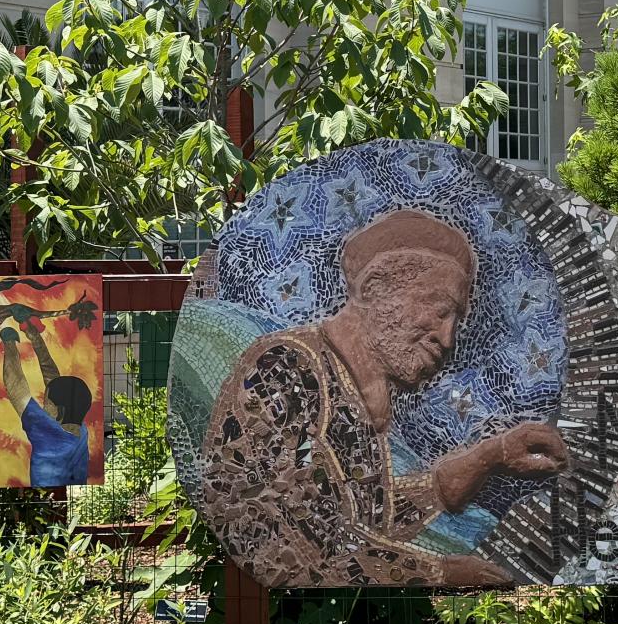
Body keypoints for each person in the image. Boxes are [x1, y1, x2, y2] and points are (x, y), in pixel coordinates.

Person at [199, 208, 566, 586]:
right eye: (439, 311)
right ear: (375, 289)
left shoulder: (346, 387)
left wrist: (490, 456)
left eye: (455, 320)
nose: (448, 338)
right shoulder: (287, 367)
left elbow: (363, 517)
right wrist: (439, 572)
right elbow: (305, 542)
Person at [0, 325, 93, 489]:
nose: (43, 404)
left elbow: (15, 387)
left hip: (44, 496)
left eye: (47, 402)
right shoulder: (80, 429)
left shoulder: (50, 436)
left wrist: (9, 342)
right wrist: (36, 339)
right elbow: (54, 380)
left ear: (60, 411)